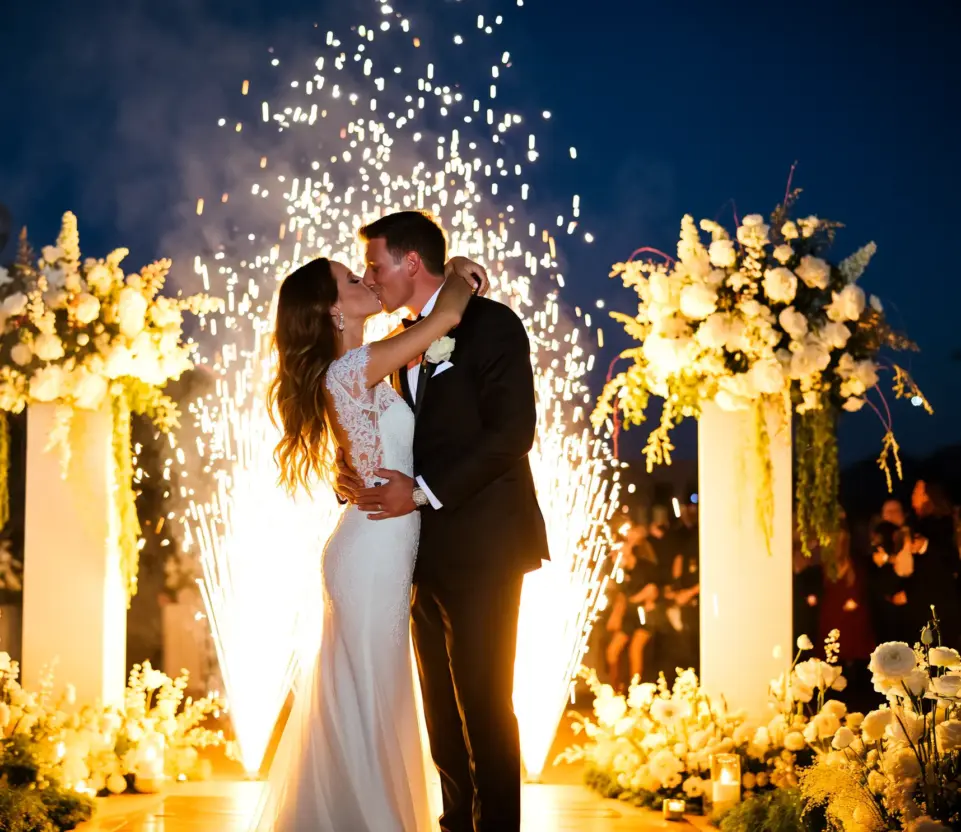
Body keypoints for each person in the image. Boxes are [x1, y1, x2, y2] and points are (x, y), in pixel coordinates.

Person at [253, 246, 491, 832]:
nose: (365, 280)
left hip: (378, 543)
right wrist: (458, 269)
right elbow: (445, 320)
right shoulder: (350, 368)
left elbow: (374, 450)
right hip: (372, 551)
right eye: (349, 279)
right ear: (334, 311)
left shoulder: (360, 365)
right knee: (371, 693)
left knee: (369, 693)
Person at [337, 211, 549, 832]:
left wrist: (423, 491)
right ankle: (457, 822)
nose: (371, 277)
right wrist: (357, 474)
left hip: (484, 545)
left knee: (484, 702)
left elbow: (512, 434)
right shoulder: (401, 343)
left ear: (410, 262)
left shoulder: (491, 324)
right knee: (441, 711)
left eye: (375, 264)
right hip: (413, 550)